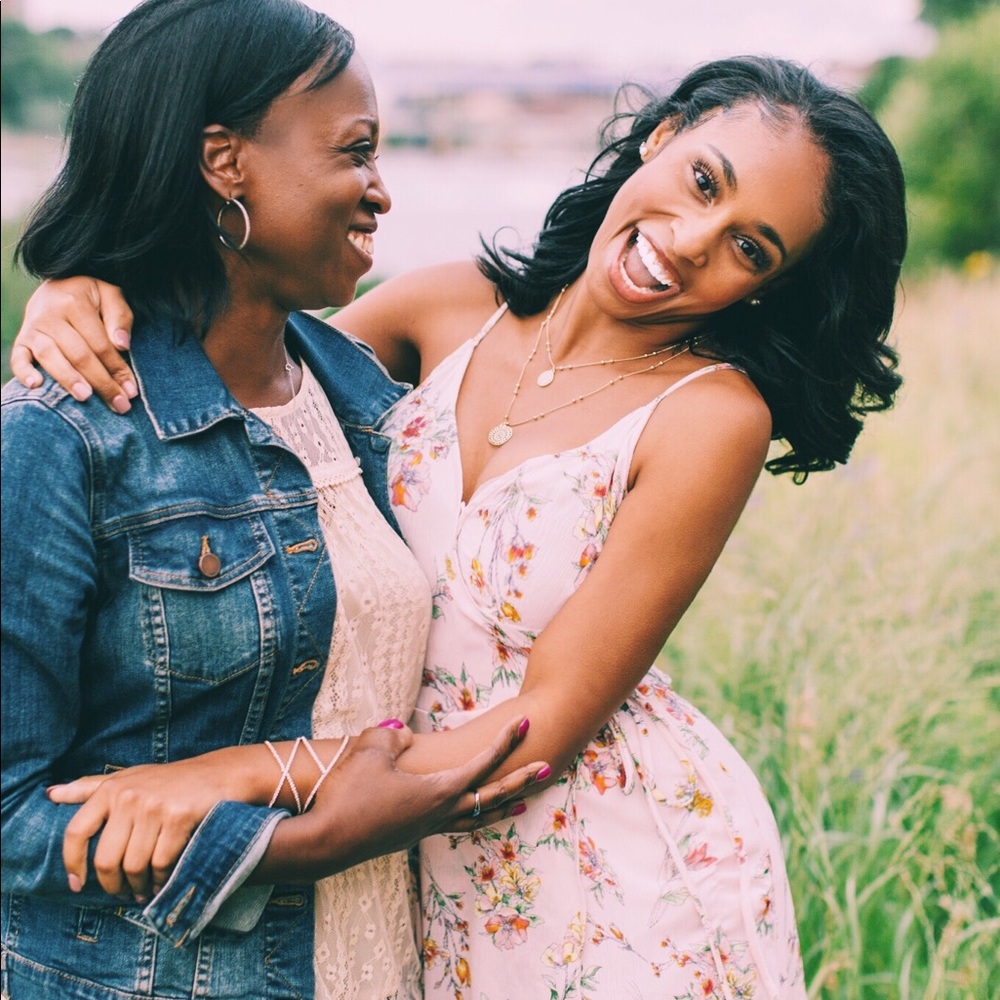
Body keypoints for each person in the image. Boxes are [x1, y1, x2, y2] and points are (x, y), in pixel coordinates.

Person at [10, 50, 908, 1000]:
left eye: (749, 247)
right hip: (411, 852)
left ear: (766, 286)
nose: (692, 240)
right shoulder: (451, 307)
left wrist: (233, 774)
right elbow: (230, 383)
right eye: (701, 181)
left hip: (602, 854)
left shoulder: (713, 415)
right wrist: (81, 294)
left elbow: (539, 727)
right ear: (663, 137)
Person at [0, 2, 549, 999]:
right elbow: (8, 815)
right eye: (355, 150)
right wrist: (294, 842)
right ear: (224, 162)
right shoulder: (64, 433)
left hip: (383, 964)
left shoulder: (376, 410)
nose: (381, 190)